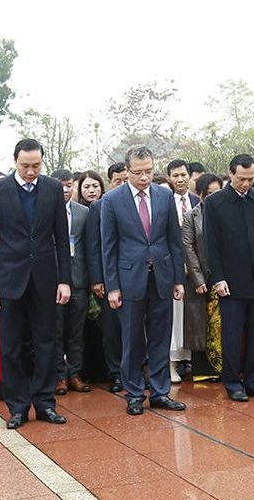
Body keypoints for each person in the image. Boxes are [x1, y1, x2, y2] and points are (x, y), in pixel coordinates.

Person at [0, 139, 71, 428]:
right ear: (15, 162)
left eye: (36, 166)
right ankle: (17, 406)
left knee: (47, 343)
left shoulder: (52, 188)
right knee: (12, 345)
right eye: (25, 166)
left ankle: (45, 402)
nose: (31, 172)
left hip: (45, 279)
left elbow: (60, 238)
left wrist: (64, 280)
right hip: (9, 280)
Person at [100, 146, 187, 415]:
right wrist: (112, 286)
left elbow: (174, 239)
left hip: (161, 276)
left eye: (149, 171)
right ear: (127, 171)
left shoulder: (164, 196)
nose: (144, 177)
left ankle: (161, 392)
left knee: (161, 337)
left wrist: (178, 278)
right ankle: (135, 393)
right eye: (138, 172)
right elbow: (108, 247)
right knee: (133, 338)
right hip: (129, 279)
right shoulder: (112, 200)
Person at [87, 161, 127, 392]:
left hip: (134, 274)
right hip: (108, 277)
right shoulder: (99, 207)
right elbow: (94, 247)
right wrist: (97, 279)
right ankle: (116, 372)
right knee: (112, 328)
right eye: (117, 181)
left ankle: (134, 368)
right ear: (109, 183)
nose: (121, 184)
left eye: (125, 179)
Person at [50, 169, 91, 394]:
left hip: (79, 280)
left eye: (68, 185)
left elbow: (91, 248)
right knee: (56, 331)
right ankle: (58, 376)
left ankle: (74, 373)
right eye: (60, 185)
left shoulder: (83, 212)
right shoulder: (44, 212)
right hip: (53, 281)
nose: (65, 190)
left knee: (76, 331)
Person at [181, 172, 225, 381]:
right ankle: (203, 371)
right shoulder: (192, 216)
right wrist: (197, 278)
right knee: (200, 323)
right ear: (200, 194)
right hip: (201, 278)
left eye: (218, 193)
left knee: (223, 324)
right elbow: (187, 247)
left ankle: (224, 367)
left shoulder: (226, 214)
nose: (214, 197)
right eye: (209, 194)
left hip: (223, 276)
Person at [167, 159, 199, 384]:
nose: (180, 179)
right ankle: (171, 364)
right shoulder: (164, 202)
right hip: (173, 269)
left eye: (183, 174)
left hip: (196, 270)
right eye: (175, 175)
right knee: (174, 318)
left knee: (192, 315)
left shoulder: (198, 202)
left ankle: (191, 360)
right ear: (169, 178)